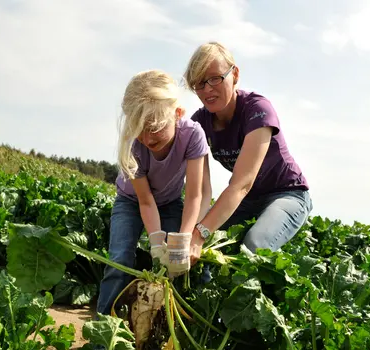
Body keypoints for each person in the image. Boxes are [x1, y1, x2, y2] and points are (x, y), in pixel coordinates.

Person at [182, 42, 313, 264]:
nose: (207, 90)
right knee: (208, 241)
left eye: (215, 78)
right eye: (199, 83)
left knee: (254, 246)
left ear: (235, 74)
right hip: (248, 199)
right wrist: (190, 234)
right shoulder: (198, 124)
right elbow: (202, 191)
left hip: (286, 194)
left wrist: (199, 234)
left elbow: (241, 185)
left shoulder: (258, 110)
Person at [96, 69, 211, 315]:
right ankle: (103, 330)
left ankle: (173, 328)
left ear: (177, 114)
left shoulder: (193, 135)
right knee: (120, 261)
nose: (147, 137)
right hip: (131, 202)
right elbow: (145, 202)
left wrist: (183, 237)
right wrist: (156, 240)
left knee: (176, 266)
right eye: (140, 128)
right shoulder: (134, 144)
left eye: (155, 128)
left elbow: (193, 195)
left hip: (170, 203)